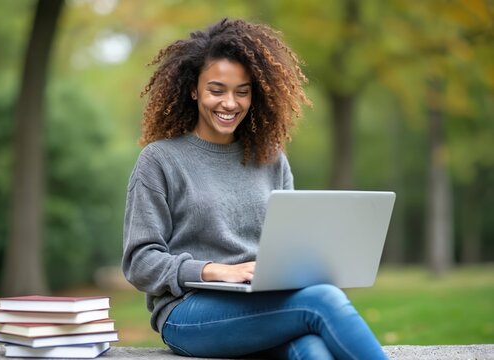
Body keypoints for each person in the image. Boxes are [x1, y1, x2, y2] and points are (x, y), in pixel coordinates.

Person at [122, 18, 388, 359]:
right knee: (323, 300)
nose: (230, 103)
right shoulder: (159, 160)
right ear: (193, 89)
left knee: (311, 350)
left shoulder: (271, 159)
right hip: (188, 313)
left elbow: (291, 244)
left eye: (242, 91)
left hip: (261, 302)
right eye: (216, 90)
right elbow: (139, 262)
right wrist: (214, 270)